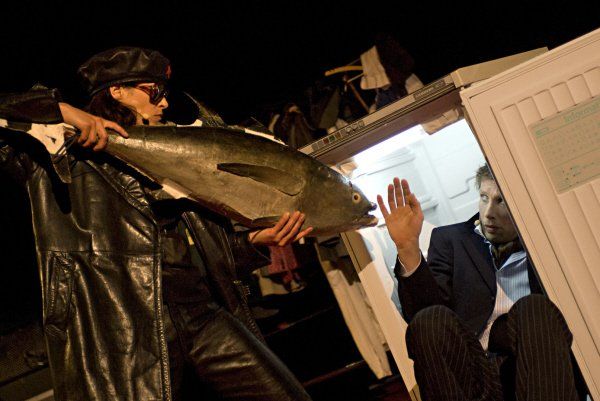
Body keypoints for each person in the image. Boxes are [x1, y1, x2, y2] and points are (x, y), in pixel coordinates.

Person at [0, 47, 313, 401]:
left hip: (200, 313)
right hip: (126, 332)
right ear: (117, 91)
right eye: (154, 91)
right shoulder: (62, 153)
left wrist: (257, 240)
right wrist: (62, 110)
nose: (164, 102)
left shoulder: (173, 154)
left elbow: (199, 251)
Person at [377, 165, 582, 401]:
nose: (488, 213)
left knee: (534, 308)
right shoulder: (452, 239)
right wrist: (407, 247)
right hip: (471, 371)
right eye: (484, 197)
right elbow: (425, 320)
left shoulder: (547, 242)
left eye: (500, 201)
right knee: (428, 320)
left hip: (532, 368)